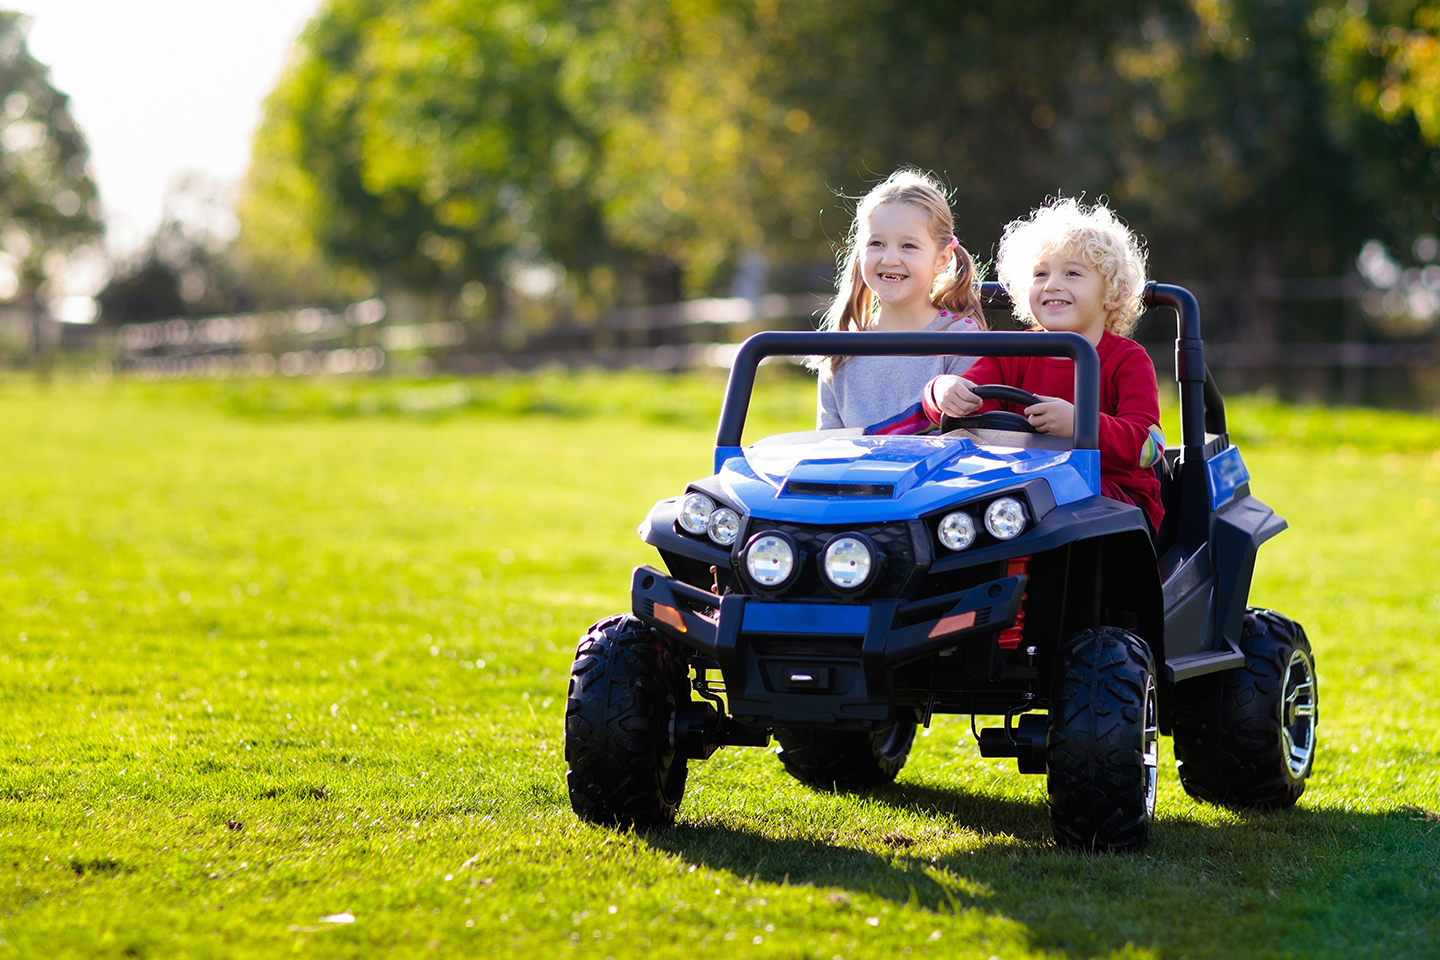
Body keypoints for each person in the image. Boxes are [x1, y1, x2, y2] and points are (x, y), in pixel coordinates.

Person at [922, 197, 1165, 532]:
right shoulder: (1013, 351)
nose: (1052, 284)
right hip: (1020, 488)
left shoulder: (1128, 360)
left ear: (1113, 292)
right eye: (1040, 273)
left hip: (1111, 496)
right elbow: (967, 403)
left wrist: (1080, 425)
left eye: (1072, 273)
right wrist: (944, 392)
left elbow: (1149, 448)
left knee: (1051, 505)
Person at [810, 169, 985, 435]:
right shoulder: (840, 350)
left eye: (908, 246)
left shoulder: (962, 340)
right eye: (877, 243)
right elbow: (828, 448)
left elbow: (971, 439)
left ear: (942, 259)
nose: (890, 259)